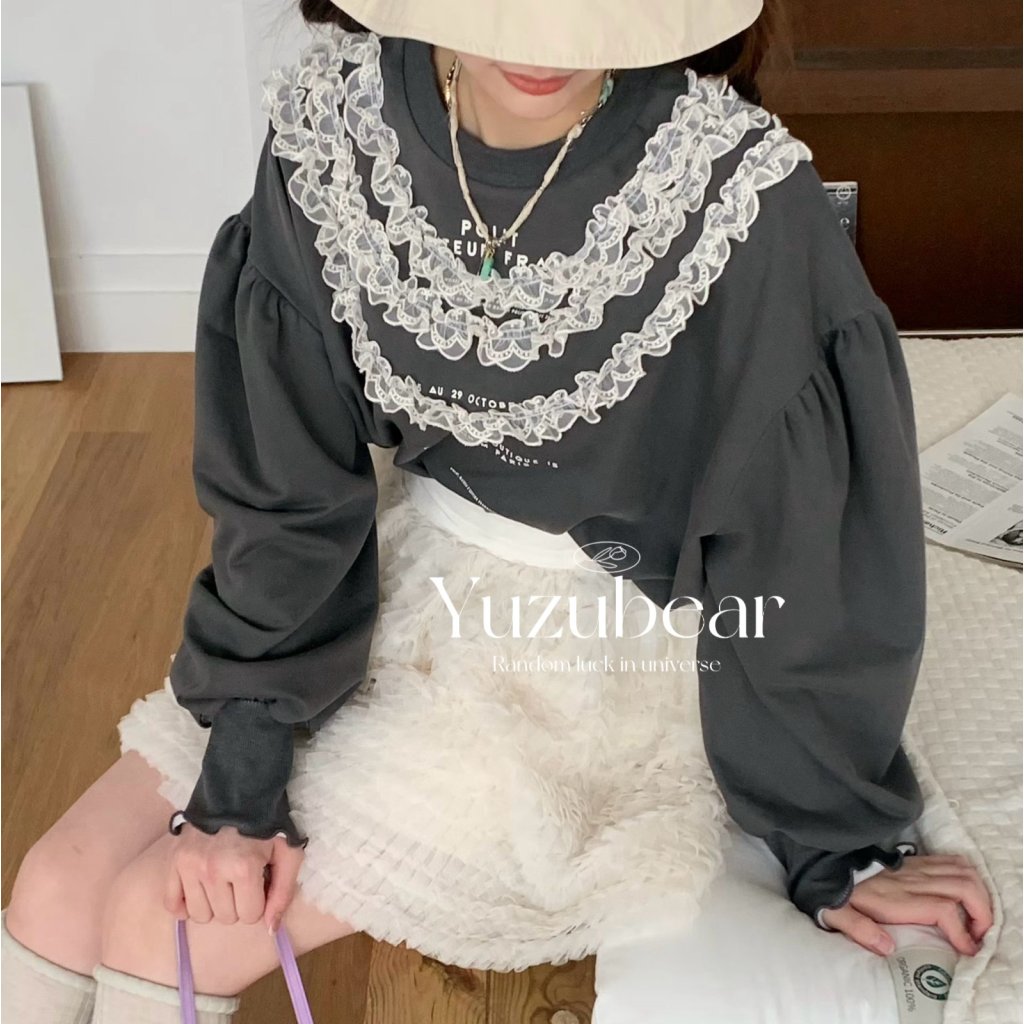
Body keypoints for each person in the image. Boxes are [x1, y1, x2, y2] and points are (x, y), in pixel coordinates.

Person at [2, 1, 994, 1020]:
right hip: (404, 584)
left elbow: (801, 539)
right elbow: (288, 485)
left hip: (599, 652)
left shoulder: (741, 190)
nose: (544, 37)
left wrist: (838, 841)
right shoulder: (334, 133)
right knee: (55, 889)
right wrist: (245, 763)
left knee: (154, 927)